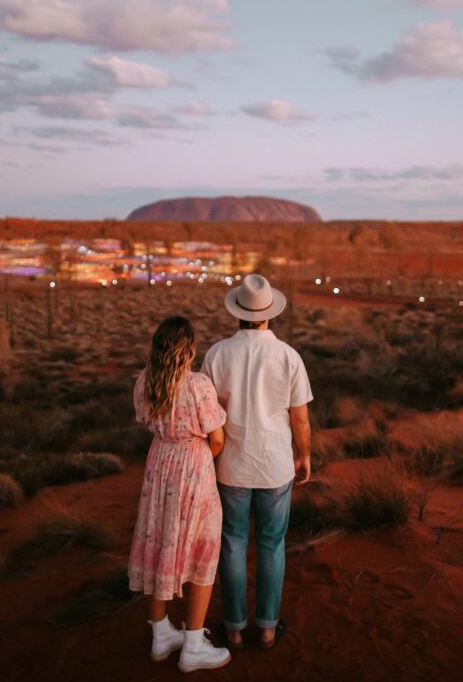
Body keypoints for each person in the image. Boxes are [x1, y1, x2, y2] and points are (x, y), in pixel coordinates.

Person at [202, 273, 313, 650]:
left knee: (232, 543)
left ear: (238, 312)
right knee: (271, 544)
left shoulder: (216, 354)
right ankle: (266, 627)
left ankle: (233, 628)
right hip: (275, 463)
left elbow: (207, 414)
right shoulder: (288, 356)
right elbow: (299, 417)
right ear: (270, 314)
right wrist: (305, 454)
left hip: (230, 465)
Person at [127, 316, 232, 673]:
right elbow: (217, 438)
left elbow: (146, 422)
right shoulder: (198, 385)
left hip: (159, 466)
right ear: (188, 349)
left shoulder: (144, 383)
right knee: (203, 549)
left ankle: (161, 636)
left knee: (157, 542)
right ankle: (192, 646)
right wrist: (200, 460)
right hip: (192, 467)